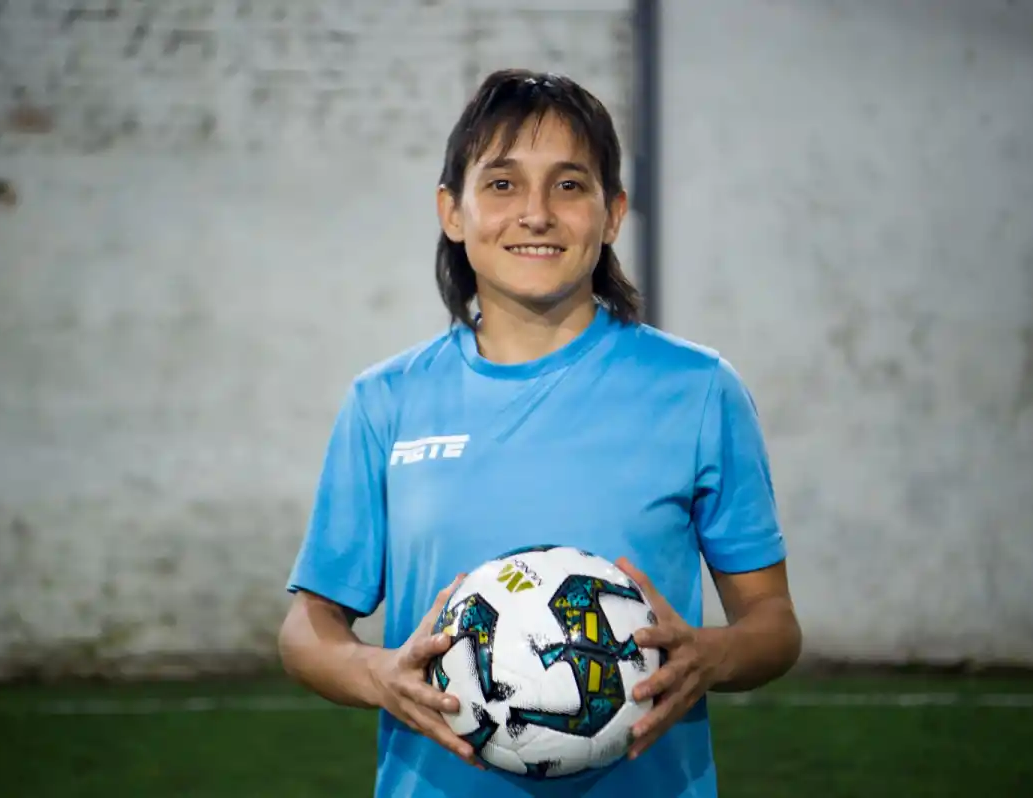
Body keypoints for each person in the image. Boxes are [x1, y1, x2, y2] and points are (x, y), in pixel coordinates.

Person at [278, 68, 802, 798]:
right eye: (501, 184)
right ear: (451, 212)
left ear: (612, 213)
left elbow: (773, 623)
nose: (536, 214)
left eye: (568, 185)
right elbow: (308, 627)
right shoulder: (385, 403)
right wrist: (374, 672)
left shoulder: (697, 390)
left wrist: (711, 656)